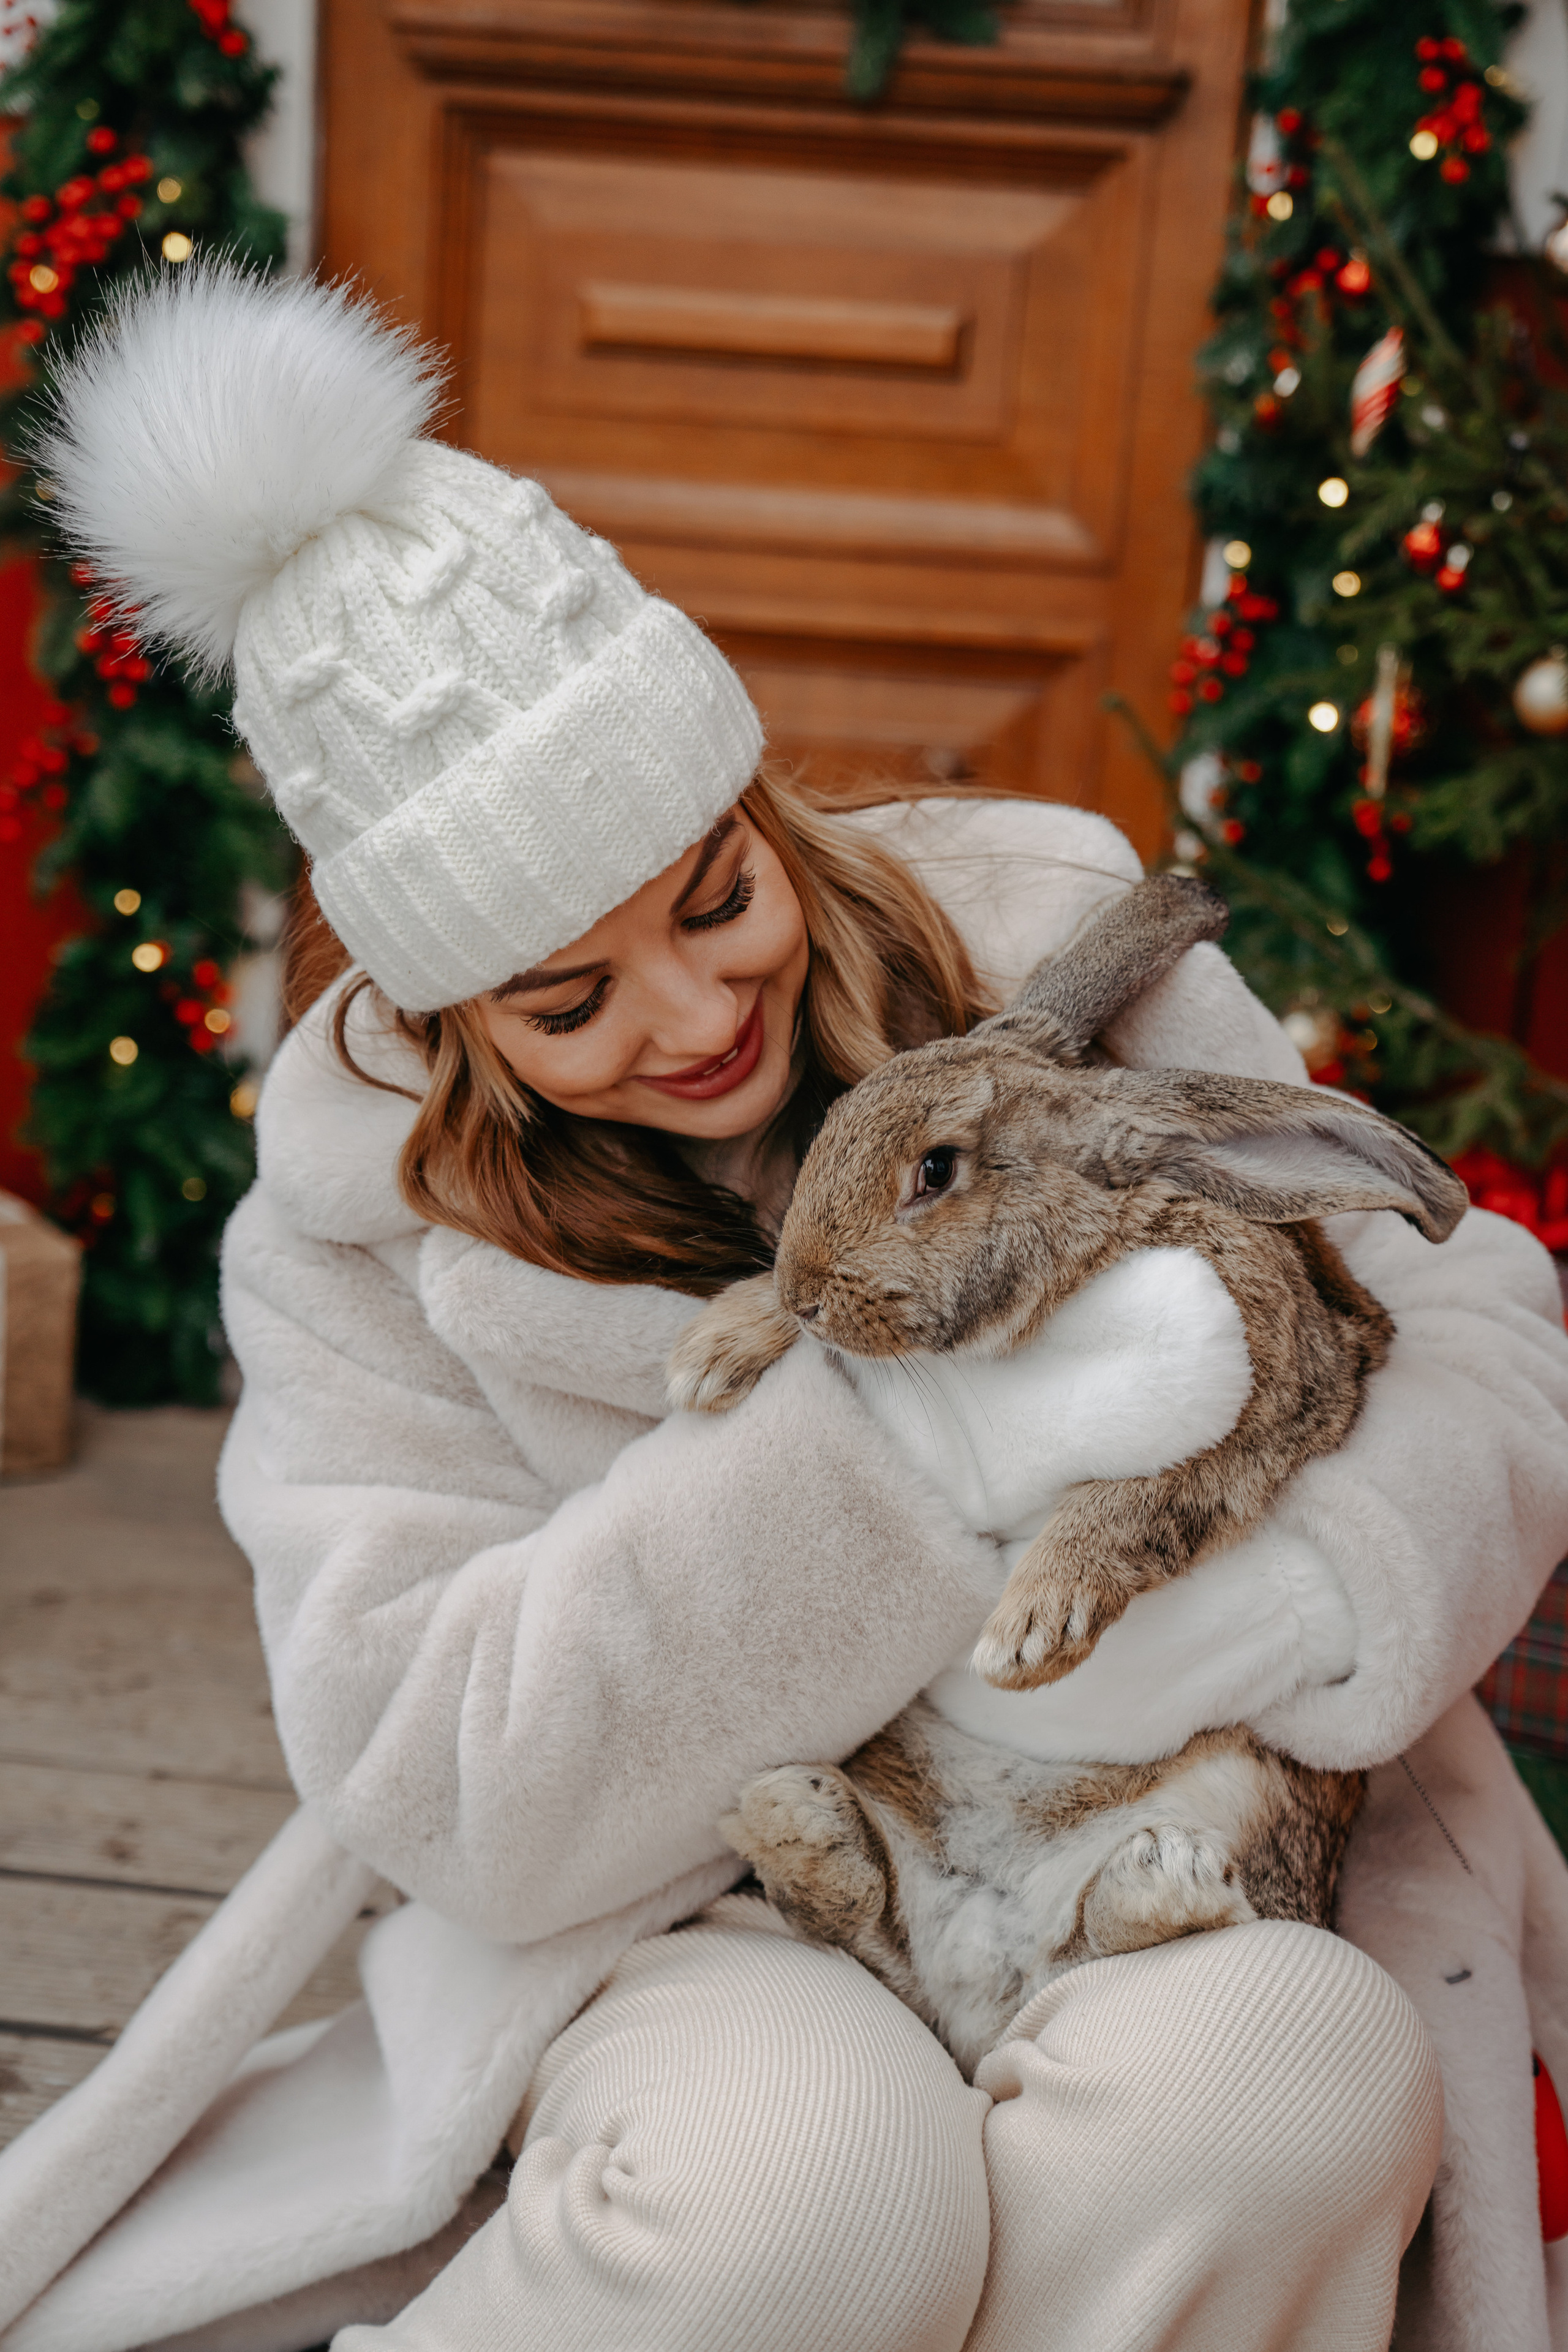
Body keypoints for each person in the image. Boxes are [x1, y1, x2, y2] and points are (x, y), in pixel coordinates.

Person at [4, 262, 1567, 2352]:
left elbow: (1469, 1323)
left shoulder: (1039, 937)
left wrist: (1311, 1607)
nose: (693, 1014)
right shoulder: (351, 1230)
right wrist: (919, 1448)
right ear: (440, 1004)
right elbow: (439, 1774)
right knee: (807, 2190)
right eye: (566, 1000)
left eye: (715, 895)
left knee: (1278, 2084)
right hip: (694, 1900)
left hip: (1156, 1835)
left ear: (752, 798)